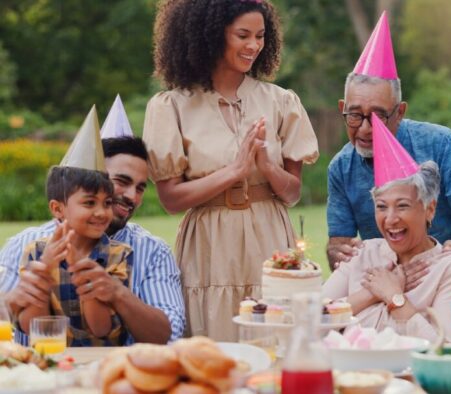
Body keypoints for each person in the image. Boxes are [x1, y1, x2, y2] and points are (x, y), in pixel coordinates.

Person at [144, 0, 318, 340]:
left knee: (273, 335)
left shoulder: (281, 101)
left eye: (260, 36)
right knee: (214, 341)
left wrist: (267, 166)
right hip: (209, 242)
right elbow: (171, 199)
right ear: (210, 35)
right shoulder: (171, 107)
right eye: (242, 35)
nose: (253, 45)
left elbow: (293, 193)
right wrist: (234, 170)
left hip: (269, 233)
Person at [326, 13, 451, 286]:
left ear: (400, 112)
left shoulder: (440, 143)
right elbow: (339, 242)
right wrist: (337, 253)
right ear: (342, 109)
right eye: (355, 115)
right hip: (395, 282)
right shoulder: (341, 167)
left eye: (379, 116)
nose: (366, 129)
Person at [0, 136, 185, 344]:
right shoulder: (27, 246)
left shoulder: (146, 251)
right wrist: (23, 294)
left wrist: (116, 293)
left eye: (140, 188)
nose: (132, 197)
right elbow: (24, 324)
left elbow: (170, 333)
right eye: (122, 182)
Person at [323, 160, 451, 341]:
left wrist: (394, 298)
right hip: (346, 368)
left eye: (402, 206)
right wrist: (369, 294)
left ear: (429, 209)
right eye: (382, 207)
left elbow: (442, 348)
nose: (390, 219)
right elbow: (309, 319)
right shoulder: (362, 253)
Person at [16, 166, 131, 346]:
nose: (101, 212)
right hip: (54, 363)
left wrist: (81, 269)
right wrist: (44, 271)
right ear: (57, 209)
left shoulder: (118, 255)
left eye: (107, 203)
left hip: (100, 363)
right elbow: (32, 327)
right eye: (90, 203)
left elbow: (101, 329)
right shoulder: (36, 253)